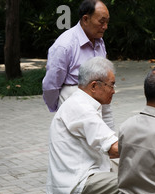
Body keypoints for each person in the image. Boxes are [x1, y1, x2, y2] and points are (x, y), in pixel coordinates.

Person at [45, 56, 119, 194]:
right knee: (135, 182)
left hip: (81, 174)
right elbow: (114, 149)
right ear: (94, 86)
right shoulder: (82, 108)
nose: (114, 91)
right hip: (77, 182)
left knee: (138, 169)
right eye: (111, 85)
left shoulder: (80, 102)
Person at [42, 0, 115, 130]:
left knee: (108, 141)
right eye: (101, 22)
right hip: (75, 108)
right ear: (85, 19)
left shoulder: (99, 41)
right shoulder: (64, 45)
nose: (105, 27)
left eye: (107, 22)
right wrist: (59, 107)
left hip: (101, 105)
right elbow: (51, 85)